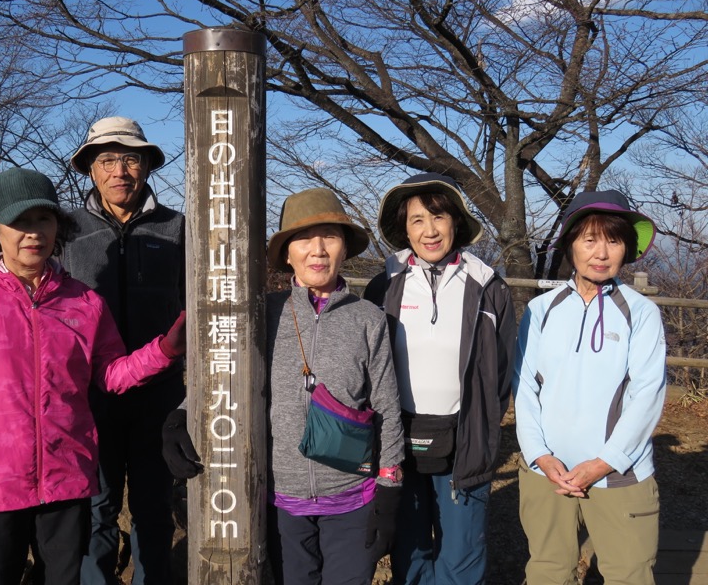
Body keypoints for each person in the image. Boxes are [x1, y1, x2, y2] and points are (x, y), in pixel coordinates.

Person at [0, 167, 187, 585]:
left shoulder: (83, 303)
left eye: (43, 219)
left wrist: (165, 350)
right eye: (20, 222)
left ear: (57, 226)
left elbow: (111, 375)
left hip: (68, 483)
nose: (33, 233)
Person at [364, 173, 516, 585]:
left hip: (464, 439)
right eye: (417, 220)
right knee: (409, 547)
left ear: (456, 223)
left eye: (438, 217)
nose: (429, 230)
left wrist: (484, 422)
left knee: (463, 553)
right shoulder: (384, 287)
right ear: (405, 229)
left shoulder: (488, 289)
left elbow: (502, 372)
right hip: (398, 438)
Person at [513, 190, 666, 585]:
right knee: (547, 571)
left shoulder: (641, 313)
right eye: (589, 239)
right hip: (547, 474)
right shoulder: (541, 310)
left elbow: (647, 395)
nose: (601, 252)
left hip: (620, 474)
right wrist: (540, 457)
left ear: (626, 249)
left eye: (613, 240)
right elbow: (525, 388)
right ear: (571, 245)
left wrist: (603, 462)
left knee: (627, 574)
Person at [63, 116, 187, 585]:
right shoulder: (68, 230)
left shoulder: (177, 227)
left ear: (148, 167)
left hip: (159, 394)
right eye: (107, 160)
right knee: (96, 507)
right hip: (90, 396)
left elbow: (198, 309)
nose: (120, 171)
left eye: (131, 158)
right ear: (90, 170)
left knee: (154, 507)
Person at [265, 188, 405, 585]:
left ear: (345, 249)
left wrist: (389, 487)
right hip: (281, 498)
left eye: (330, 235)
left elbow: (387, 406)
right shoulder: (264, 313)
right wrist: (184, 412)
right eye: (304, 238)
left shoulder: (368, 319)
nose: (318, 249)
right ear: (287, 253)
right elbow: (225, 374)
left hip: (353, 497)